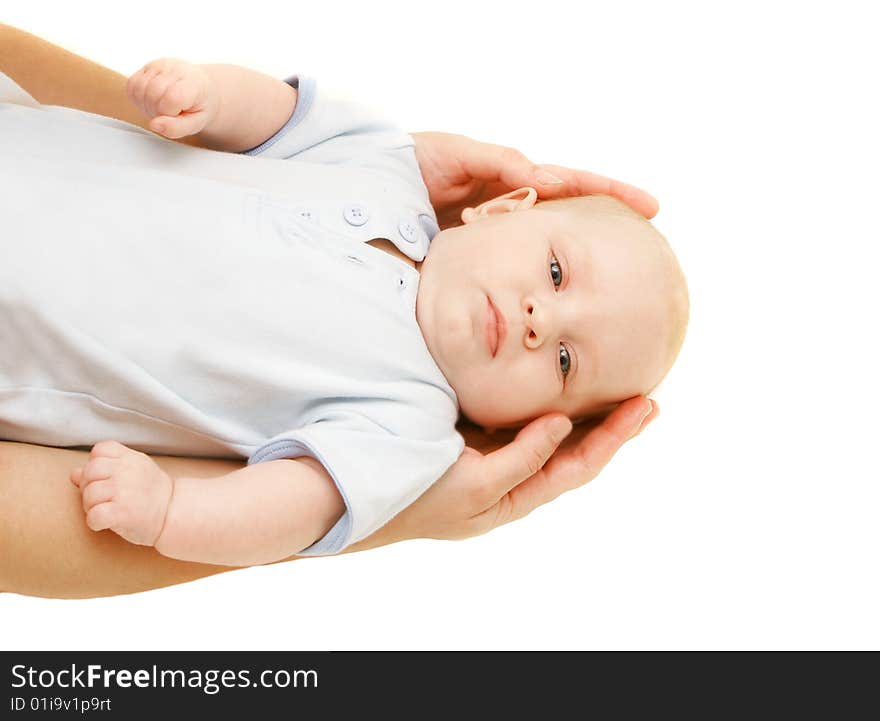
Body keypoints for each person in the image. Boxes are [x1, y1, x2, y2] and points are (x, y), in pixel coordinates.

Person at [0, 24, 662, 598]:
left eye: (566, 359)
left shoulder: (410, 430)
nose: (538, 320)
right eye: (554, 272)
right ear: (502, 208)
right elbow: (277, 116)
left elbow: (291, 506)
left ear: (527, 424)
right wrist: (210, 94)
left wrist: (173, 507)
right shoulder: (387, 162)